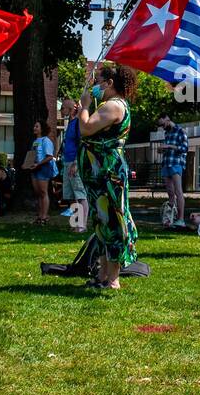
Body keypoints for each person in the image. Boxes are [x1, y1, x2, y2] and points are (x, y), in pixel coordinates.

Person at [78, 63, 139, 290]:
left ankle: (112, 279)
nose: (96, 86)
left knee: (112, 222)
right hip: (100, 174)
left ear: (109, 83)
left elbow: (86, 128)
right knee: (102, 223)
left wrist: (84, 106)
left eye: (99, 82)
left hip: (108, 173)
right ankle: (103, 275)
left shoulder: (113, 106)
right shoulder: (109, 104)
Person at [58, 98, 88, 232]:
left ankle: (82, 225)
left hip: (74, 162)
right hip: (66, 161)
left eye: (63, 108)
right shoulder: (70, 123)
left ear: (70, 109)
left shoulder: (77, 123)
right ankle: (75, 223)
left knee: (80, 194)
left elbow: (81, 143)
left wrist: (76, 162)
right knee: (70, 195)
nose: (61, 110)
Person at [157, 112, 188, 227]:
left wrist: (168, 146)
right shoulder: (167, 133)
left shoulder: (181, 131)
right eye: (161, 126)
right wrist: (162, 150)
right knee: (170, 192)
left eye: (163, 124)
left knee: (178, 192)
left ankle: (181, 219)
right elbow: (168, 149)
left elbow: (184, 148)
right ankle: (170, 218)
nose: (162, 127)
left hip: (176, 164)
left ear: (167, 118)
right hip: (166, 163)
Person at [26, 119, 58, 225]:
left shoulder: (46, 141)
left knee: (43, 192)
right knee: (38, 193)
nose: (34, 128)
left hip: (43, 168)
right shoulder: (35, 141)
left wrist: (38, 164)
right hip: (34, 168)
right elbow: (32, 154)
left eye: (37, 127)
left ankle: (45, 216)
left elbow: (49, 157)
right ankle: (40, 215)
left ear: (42, 129)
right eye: (34, 126)